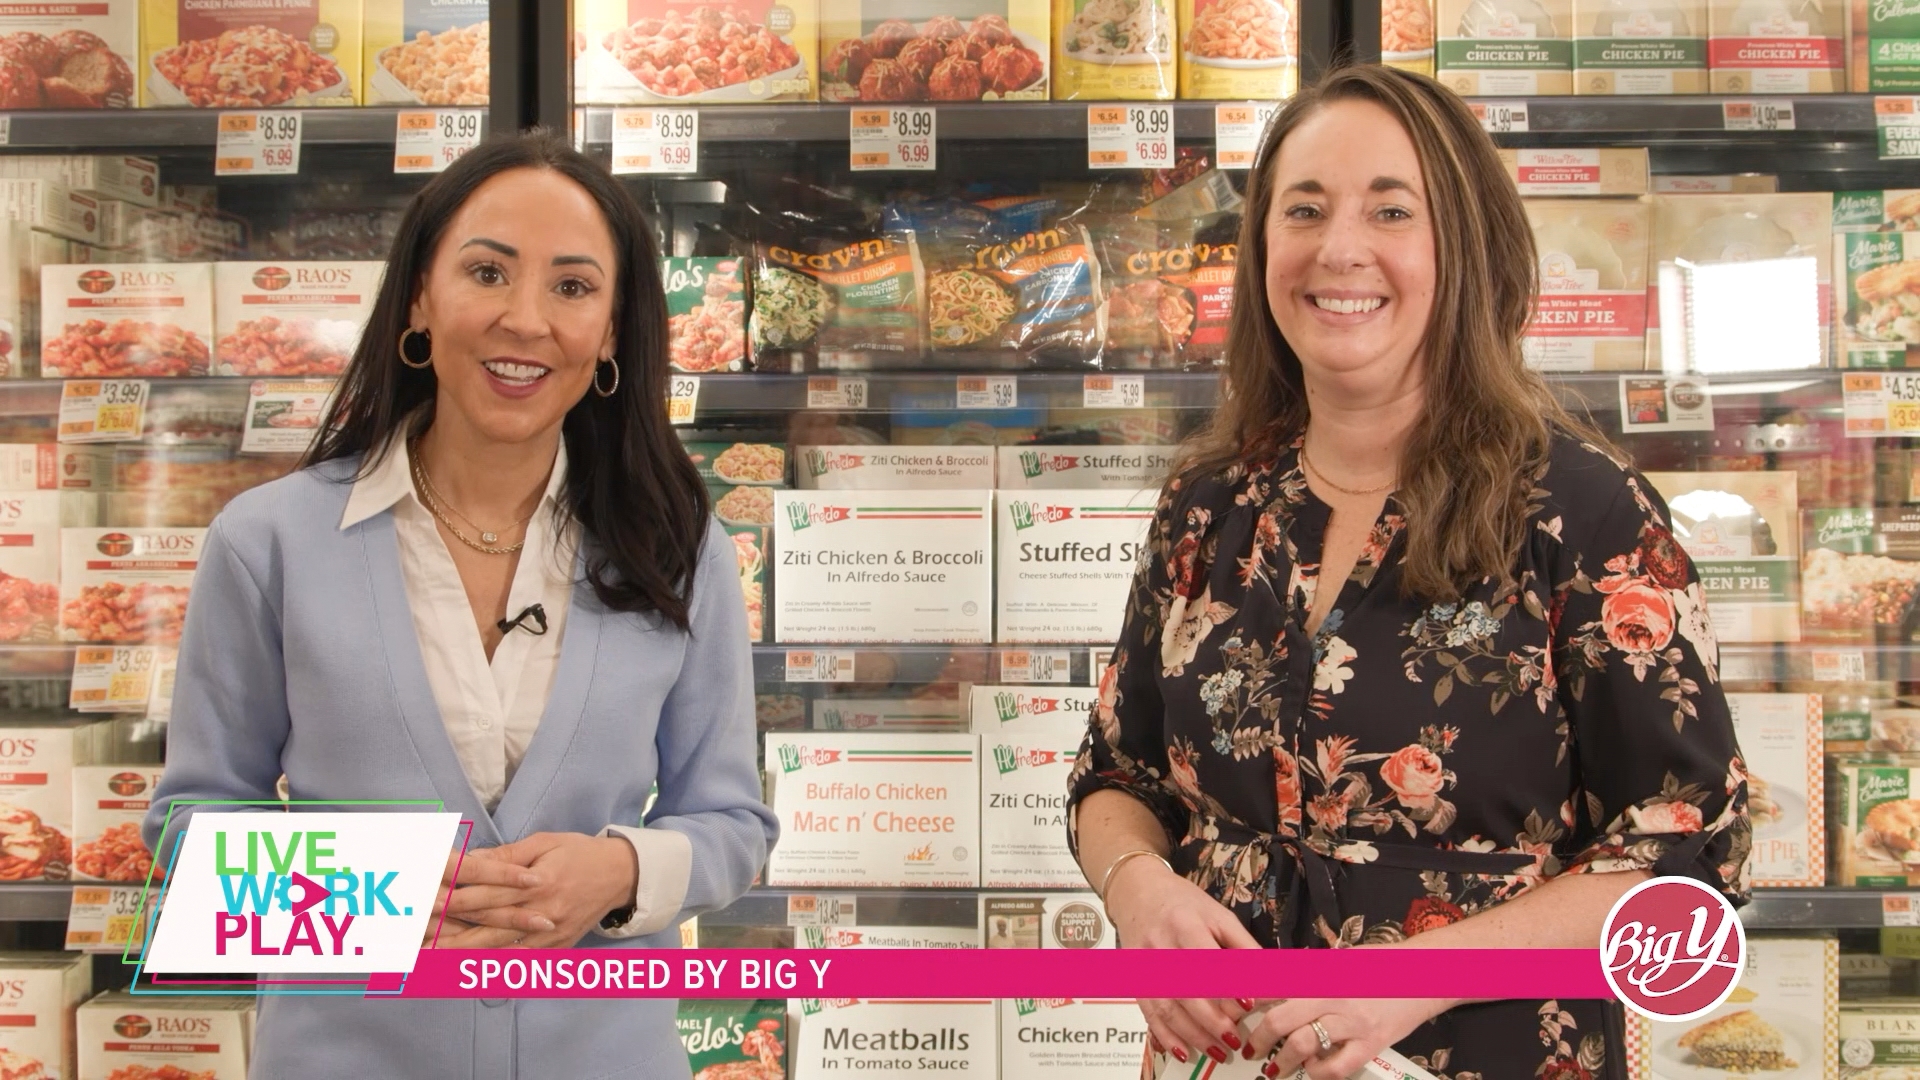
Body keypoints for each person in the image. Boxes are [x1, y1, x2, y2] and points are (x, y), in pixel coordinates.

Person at [1067, 65, 1748, 1080]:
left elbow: (1689, 852)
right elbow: (1119, 772)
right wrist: (1138, 889)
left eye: (1391, 210)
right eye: (1304, 210)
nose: (1339, 249)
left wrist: (1413, 976)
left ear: (1463, 246)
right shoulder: (1209, 506)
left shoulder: (1580, 510)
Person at [142, 130, 778, 1080]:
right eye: (487, 273)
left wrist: (619, 872)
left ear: (612, 331)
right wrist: (371, 896)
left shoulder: (677, 551)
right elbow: (190, 827)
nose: (525, 320)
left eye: (572, 287)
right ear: (419, 298)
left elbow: (732, 823)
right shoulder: (268, 542)